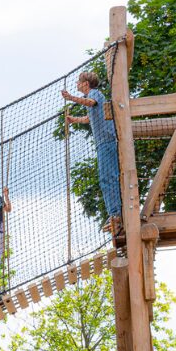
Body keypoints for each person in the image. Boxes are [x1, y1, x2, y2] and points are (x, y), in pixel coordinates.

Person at [62, 71, 121, 231]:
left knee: (108, 177)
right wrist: (75, 119)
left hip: (107, 141)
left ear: (85, 84)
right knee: (105, 178)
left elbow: (90, 103)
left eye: (78, 82)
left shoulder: (94, 94)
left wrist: (71, 98)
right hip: (103, 142)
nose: (77, 85)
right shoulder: (93, 97)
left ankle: (116, 214)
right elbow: (90, 117)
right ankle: (114, 213)